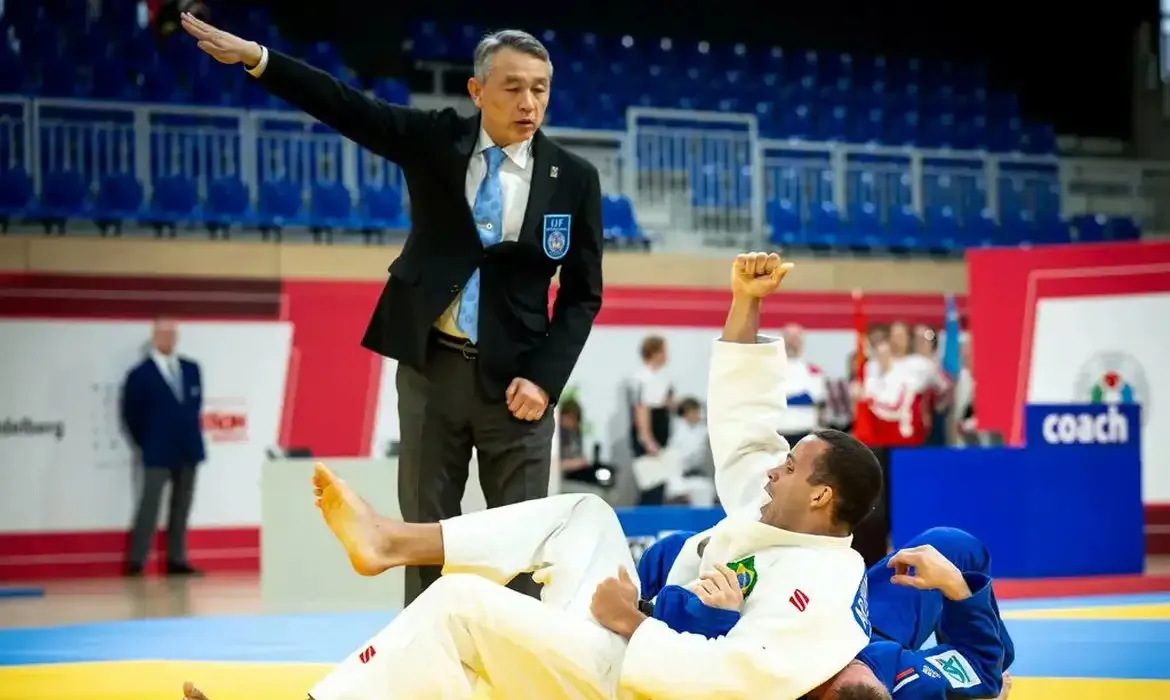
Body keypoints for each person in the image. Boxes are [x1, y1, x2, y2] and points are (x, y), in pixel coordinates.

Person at [182, 251, 885, 700]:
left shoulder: (823, 586)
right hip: (625, 642)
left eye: (790, 468)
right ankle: (395, 542)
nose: (772, 473)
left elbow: (735, 683)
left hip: (638, 674)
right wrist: (745, 304)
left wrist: (636, 625)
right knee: (583, 516)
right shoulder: (786, 527)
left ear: (821, 496)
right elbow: (742, 428)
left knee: (459, 609)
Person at [180, 15, 604, 603]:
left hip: (520, 387)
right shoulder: (434, 140)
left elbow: (584, 293)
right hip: (432, 370)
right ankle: (426, 674)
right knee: (421, 536)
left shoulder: (575, 178)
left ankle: (514, 678)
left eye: (540, 88)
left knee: (524, 545)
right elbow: (347, 107)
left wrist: (544, 378)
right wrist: (259, 58)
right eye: (512, 87)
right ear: (477, 91)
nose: (528, 102)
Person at [637, 527, 1014, 700]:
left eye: (841, 669)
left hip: (776, 626)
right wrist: (955, 587)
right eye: (861, 669)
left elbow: (714, 676)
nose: (848, 660)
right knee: (954, 548)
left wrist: (718, 620)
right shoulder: (907, 683)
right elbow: (982, 667)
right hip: (867, 625)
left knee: (670, 551)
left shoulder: (770, 682)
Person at [121, 318, 204, 576]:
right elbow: (130, 414)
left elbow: (194, 406)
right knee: (150, 505)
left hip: (188, 448)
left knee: (182, 506)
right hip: (157, 450)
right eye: (164, 334)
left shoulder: (191, 369)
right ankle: (137, 561)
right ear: (154, 337)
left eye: (172, 334)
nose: (168, 339)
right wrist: (146, 441)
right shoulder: (140, 374)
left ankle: (176, 560)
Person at [628, 334, 674, 504]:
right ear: (655, 353)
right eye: (664, 351)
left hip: (661, 439)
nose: (667, 356)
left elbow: (662, 403)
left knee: (661, 486)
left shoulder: (660, 377)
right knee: (651, 486)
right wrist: (647, 439)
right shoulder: (642, 378)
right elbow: (641, 408)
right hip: (649, 440)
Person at [778, 323, 828, 446]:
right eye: (788, 337)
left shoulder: (813, 370)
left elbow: (812, 398)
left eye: (795, 338)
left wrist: (783, 397)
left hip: (804, 432)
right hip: (777, 433)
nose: (791, 342)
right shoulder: (770, 369)